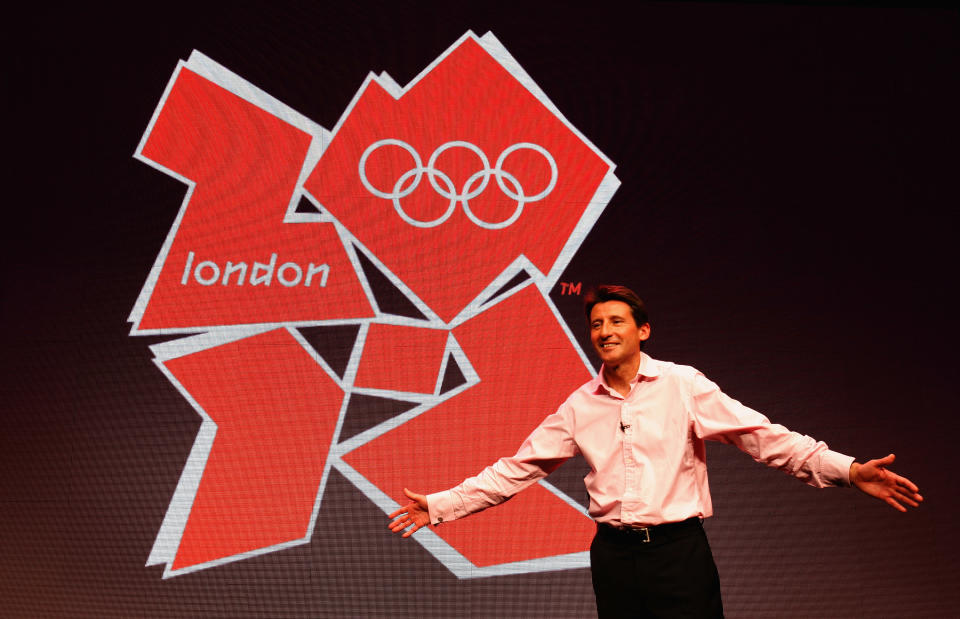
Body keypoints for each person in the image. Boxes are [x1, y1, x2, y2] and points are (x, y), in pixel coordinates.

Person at [388, 285, 922, 618]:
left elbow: (764, 438)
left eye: (616, 321)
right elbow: (516, 470)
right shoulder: (579, 406)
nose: (604, 331)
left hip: (678, 557)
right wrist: (442, 505)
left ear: (642, 331)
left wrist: (848, 470)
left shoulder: (683, 384)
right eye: (596, 324)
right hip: (615, 558)